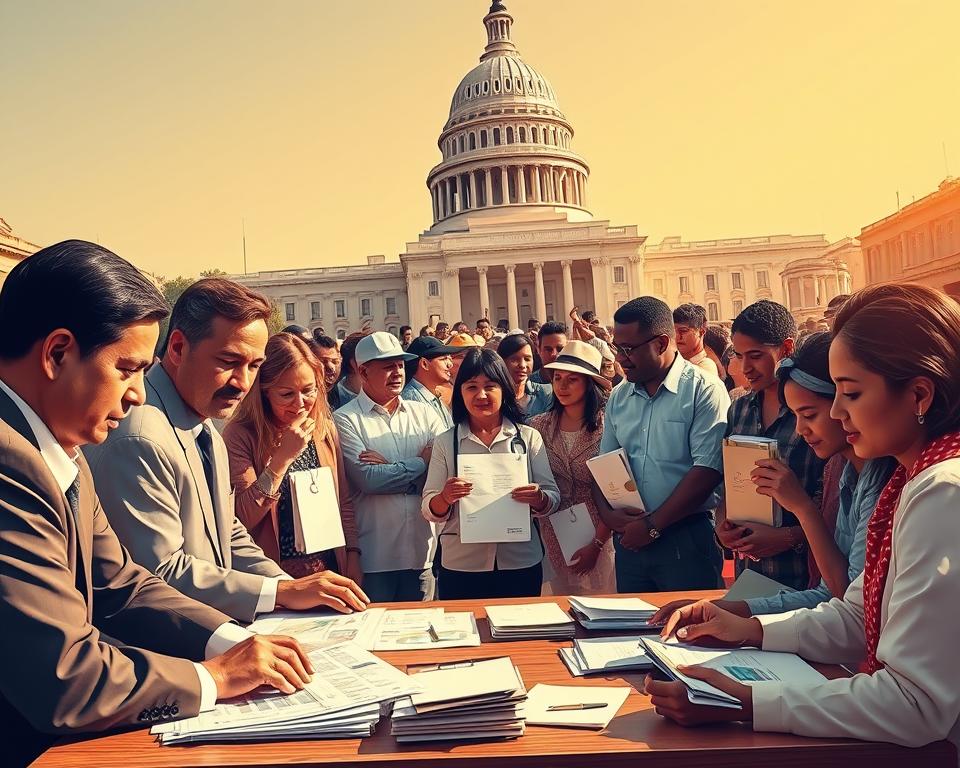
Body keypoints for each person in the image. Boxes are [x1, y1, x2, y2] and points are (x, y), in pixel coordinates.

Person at [0, 242, 312, 766]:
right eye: (127, 368)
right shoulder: (12, 464)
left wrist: (229, 640)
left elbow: (119, 584)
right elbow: (66, 679)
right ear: (56, 354)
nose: (140, 394)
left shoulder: (63, 454)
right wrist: (213, 676)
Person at [646, 284, 960, 756]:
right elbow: (859, 613)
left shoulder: (942, 492)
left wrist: (751, 703)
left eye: (850, 394)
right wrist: (750, 629)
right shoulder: (912, 479)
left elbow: (914, 702)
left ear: (919, 394)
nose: (836, 412)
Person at [85, 278, 368, 623]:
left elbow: (228, 531)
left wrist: (287, 586)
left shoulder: (203, 423)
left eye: (253, 366)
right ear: (176, 348)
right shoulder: (140, 437)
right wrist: (281, 592)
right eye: (229, 361)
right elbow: (158, 573)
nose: (243, 382)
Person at [649, 332, 895, 624]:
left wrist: (801, 510)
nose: (801, 429)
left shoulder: (882, 479)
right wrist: (719, 607)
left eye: (809, 415)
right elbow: (828, 594)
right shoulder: (841, 470)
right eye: (795, 416)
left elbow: (847, 598)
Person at [594, 297, 729, 592]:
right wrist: (609, 516)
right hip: (631, 540)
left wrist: (653, 526)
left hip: (685, 539)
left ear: (661, 343)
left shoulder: (703, 390)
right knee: (631, 631)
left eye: (629, 350)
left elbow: (706, 471)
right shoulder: (619, 396)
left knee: (689, 634)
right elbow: (604, 464)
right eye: (618, 349)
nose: (621, 359)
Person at [224, 332, 364, 585]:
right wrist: (281, 460)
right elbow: (242, 517)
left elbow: (342, 499)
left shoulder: (323, 429)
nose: (301, 404)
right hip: (274, 574)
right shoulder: (241, 434)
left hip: (328, 566)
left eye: (308, 391)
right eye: (287, 394)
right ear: (264, 392)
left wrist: (352, 553)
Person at [422, 348, 560, 599]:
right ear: (460, 391)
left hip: (519, 562)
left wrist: (539, 498)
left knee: (518, 634)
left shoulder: (528, 437)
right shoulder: (446, 441)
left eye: (490, 386)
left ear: (504, 388)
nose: (481, 395)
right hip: (461, 564)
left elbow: (552, 496)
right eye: (471, 387)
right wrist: (445, 497)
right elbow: (429, 507)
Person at [716, 300, 826, 592]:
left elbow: (834, 504)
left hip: (804, 578)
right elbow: (730, 481)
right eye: (739, 356)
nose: (746, 368)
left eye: (756, 356)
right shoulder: (738, 409)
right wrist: (724, 523)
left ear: (787, 348)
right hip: (749, 574)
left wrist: (788, 536)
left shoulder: (818, 415)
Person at [333, 332, 447, 602]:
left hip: (423, 553)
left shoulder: (425, 414)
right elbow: (368, 481)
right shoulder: (345, 420)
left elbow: (446, 471)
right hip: (374, 558)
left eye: (399, 365)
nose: (397, 372)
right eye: (387, 366)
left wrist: (391, 469)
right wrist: (421, 463)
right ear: (363, 371)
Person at [529, 341, 616, 595]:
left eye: (572, 379)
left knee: (602, 606)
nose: (562, 386)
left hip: (600, 533)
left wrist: (598, 543)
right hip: (552, 532)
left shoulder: (607, 426)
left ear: (590, 383)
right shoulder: (538, 427)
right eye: (557, 378)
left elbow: (615, 492)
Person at [402, 335, 457, 430]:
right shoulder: (410, 401)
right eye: (443, 359)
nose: (450, 364)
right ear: (424, 364)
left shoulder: (431, 395)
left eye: (449, 358)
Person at [497, 332, 553, 417]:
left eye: (527, 359)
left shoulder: (546, 393)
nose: (522, 365)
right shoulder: (494, 395)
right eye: (514, 359)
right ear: (502, 361)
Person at [673, 303, 720, 377]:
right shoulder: (674, 362)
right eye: (673, 331)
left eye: (683, 331)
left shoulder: (705, 368)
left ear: (701, 331)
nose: (677, 336)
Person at [529, 320, 568, 385]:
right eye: (548, 349)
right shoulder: (529, 386)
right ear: (538, 350)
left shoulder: (578, 383)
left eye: (560, 349)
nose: (554, 354)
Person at [312, 333, 343, 409]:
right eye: (322, 361)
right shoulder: (303, 400)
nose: (331, 368)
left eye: (335, 362)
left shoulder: (344, 397)